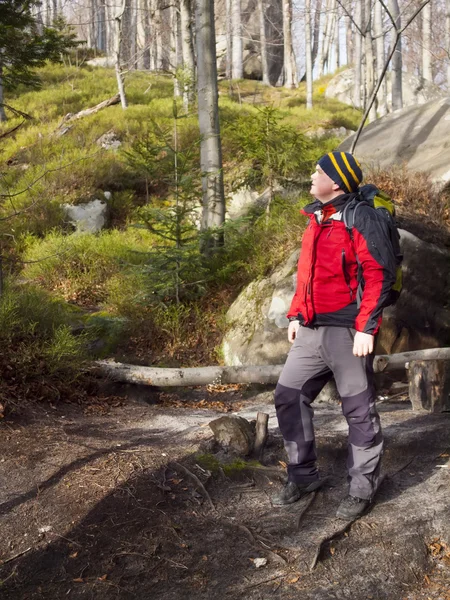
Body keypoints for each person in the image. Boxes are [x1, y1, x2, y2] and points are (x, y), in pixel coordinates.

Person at [272, 151, 397, 519]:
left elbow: (378, 275)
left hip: (347, 332)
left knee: (358, 411)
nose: (312, 175)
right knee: (288, 396)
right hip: (310, 329)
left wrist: (366, 326)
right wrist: (295, 314)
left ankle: (362, 488)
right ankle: (303, 475)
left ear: (337, 181)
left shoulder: (361, 217)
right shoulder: (316, 217)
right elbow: (305, 273)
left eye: (319, 171)